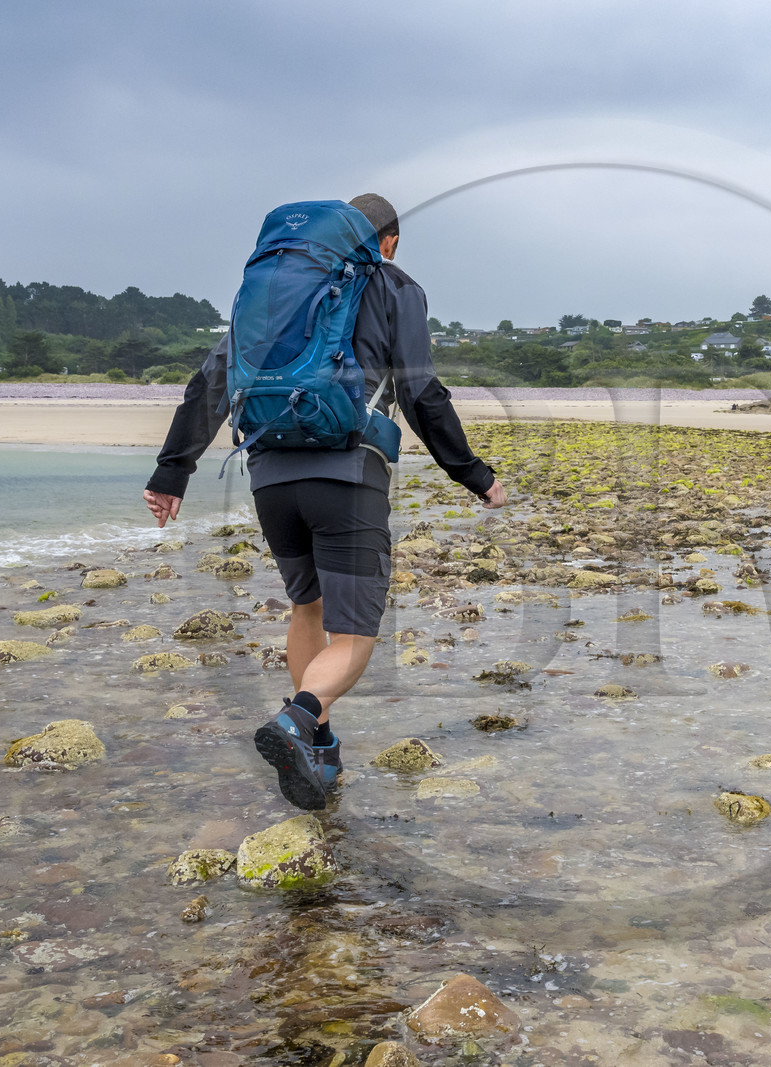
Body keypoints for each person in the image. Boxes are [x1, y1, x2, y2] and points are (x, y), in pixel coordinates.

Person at [142, 193, 506, 809]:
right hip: (348, 475)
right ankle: (297, 719)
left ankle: (321, 745)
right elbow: (421, 391)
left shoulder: (274, 287)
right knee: (356, 635)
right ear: (386, 240)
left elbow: (210, 382)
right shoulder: (393, 285)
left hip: (269, 475)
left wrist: (171, 472)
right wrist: (472, 474)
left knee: (306, 609)